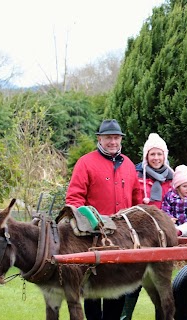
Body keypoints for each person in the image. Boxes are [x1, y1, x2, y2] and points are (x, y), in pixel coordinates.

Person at [65, 119, 143, 320]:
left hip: (122, 237)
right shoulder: (85, 163)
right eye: (108, 137)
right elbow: (74, 199)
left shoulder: (128, 164)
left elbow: (137, 200)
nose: (113, 142)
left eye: (116, 137)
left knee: (116, 284)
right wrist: (89, 222)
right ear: (99, 138)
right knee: (93, 286)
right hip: (93, 237)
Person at [123, 133, 174, 320]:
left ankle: (163, 315)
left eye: (159, 154)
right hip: (140, 232)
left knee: (160, 280)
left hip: (164, 232)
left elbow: (177, 201)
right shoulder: (137, 175)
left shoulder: (172, 177)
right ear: (146, 156)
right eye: (152, 154)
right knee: (135, 277)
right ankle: (124, 315)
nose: (156, 158)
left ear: (164, 156)